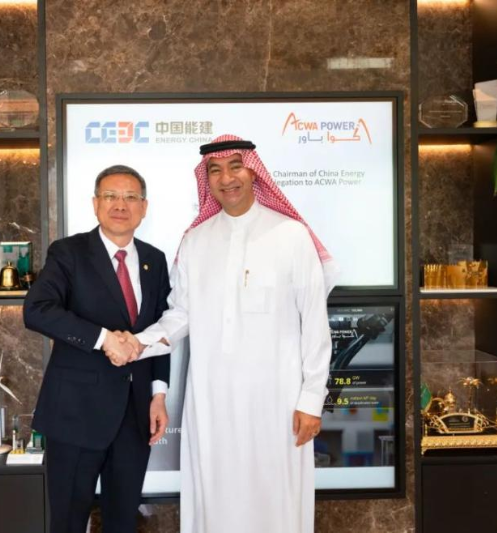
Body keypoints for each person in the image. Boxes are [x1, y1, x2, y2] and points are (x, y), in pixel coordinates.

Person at [118, 134, 336, 533]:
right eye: (215, 171)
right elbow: (180, 315)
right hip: (212, 401)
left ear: (253, 172)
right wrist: (138, 343)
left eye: (235, 167)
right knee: (216, 495)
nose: (226, 178)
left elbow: (314, 323)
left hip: (278, 400)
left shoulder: (290, 235)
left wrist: (311, 399)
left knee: (276, 496)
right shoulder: (196, 240)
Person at [23, 164, 172, 533]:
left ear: (144, 207)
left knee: (123, 520)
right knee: (69, 521)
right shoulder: (68, 252)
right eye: (110, 196)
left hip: (134, 415)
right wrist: (105, 339)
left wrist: (158, 395)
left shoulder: (155, 260)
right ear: (95, 204)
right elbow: (37, 310)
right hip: (75, 413)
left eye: (130, 197)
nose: (120, 205)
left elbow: (161, 328)